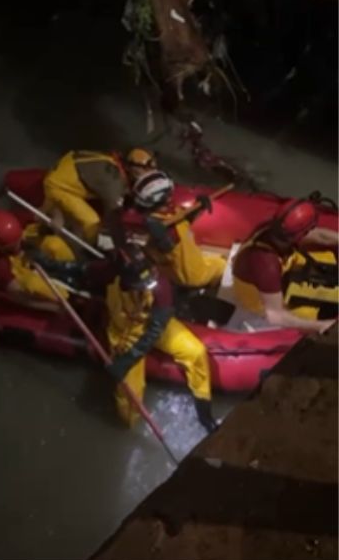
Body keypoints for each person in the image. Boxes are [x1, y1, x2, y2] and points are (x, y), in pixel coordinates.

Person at [105, 245, 218, 432]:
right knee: (128, 393)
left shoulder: (160, 285)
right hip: (125, 331)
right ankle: (128, 426)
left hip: (154, 324)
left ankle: (204, 414)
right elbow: (79, 272)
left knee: (196, 352)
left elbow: (156, 328)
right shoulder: (107, 275)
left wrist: (129, 358)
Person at [229, 198, 337, 333]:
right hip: (262, 303)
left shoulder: (275, 229)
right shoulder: (266, 264)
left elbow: (319, 236)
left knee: (327, 260)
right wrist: (322, 325)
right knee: (318, 311)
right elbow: (276, 315)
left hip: (281, 275)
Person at [41, 147, 160, 254]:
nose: (148, 173)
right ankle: (87, 252)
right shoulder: (113, 184)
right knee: (92, 222)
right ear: (131, 167)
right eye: (145, 169)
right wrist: (117, 243)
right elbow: (112, 217)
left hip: (69, 168)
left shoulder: (115, 165)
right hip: (59, 186)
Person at [131, 170, 226, 288]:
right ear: (164, 198)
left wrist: (197, 208)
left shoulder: (164, 216)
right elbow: (167, 243)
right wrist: (162, 239)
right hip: (193, 274)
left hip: (189, 264)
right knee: (225, 266)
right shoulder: (160, 230)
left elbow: (182, 222)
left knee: (218, 258)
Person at [0, 209, 82, 305]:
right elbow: (17, 295)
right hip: (18, 269)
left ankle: (76, 270)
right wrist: (52, 306)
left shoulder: (19, 217)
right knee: (32, 283)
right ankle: (67, 298)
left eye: (18, 240)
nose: (17, 246)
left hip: (29, 246)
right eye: (12, 246)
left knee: (55, 244)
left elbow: (52, 210)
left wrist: (57, 219)